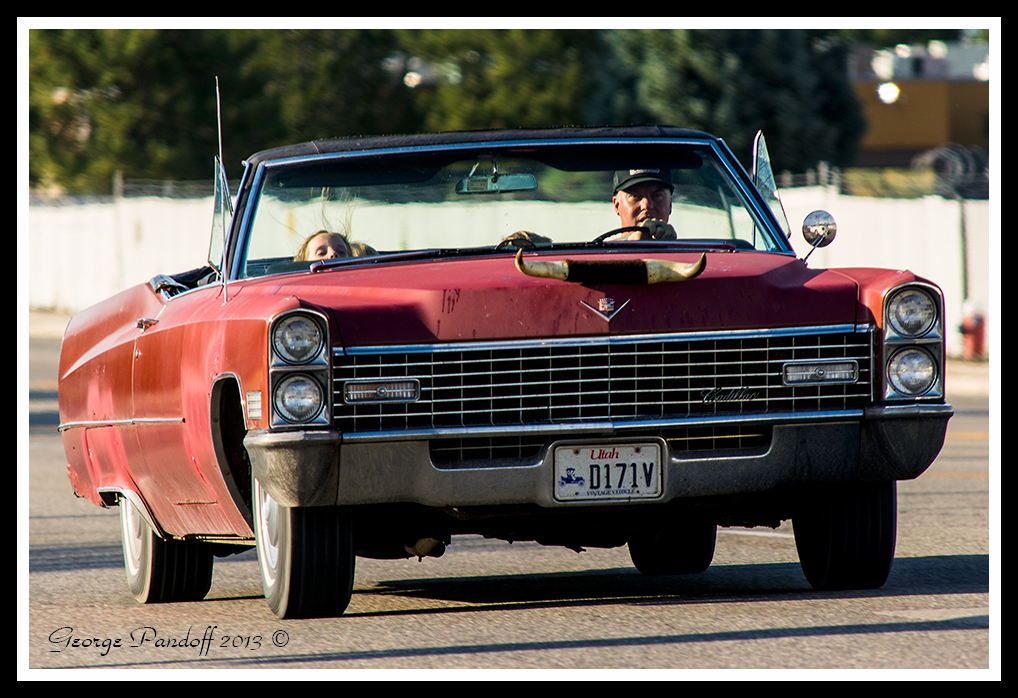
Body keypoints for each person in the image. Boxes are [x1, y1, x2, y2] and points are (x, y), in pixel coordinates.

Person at [611, 169, 677, 240]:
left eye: (657, 195)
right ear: (617, 205)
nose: (646, 205)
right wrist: (629, 241)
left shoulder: (683, 246)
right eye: (635, 196)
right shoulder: (605, 247)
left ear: (670, 204)